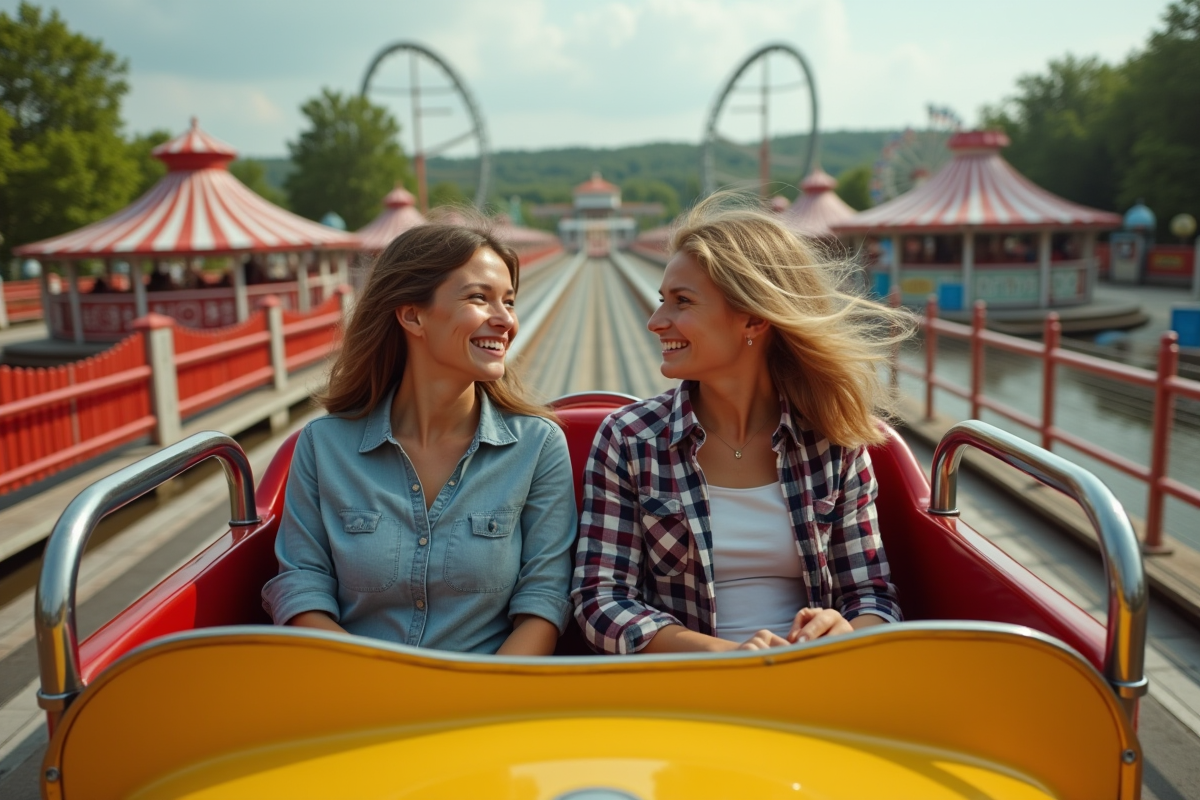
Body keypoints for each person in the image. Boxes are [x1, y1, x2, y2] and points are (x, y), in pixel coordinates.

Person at [572, 194, 914, 655]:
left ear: (752, 318)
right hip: (688, 678)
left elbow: (871, 595)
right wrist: (728, 657)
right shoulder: (630, 439)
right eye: (661, 301)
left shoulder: (835, 439)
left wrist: (845, 631)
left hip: (811, 671)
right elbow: (601, 601)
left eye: (682, 301)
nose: (655, 322)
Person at [262, 222, 577, 655]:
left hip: (488, 686)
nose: (506, 320)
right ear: (412, 316)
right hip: (356, 680)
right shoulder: (323, 446)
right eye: (479, 298)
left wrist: (481, 689)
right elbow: (301, 587)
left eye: (509, 301)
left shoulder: (538, 446)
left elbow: (544, 598)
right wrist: (382, 684)